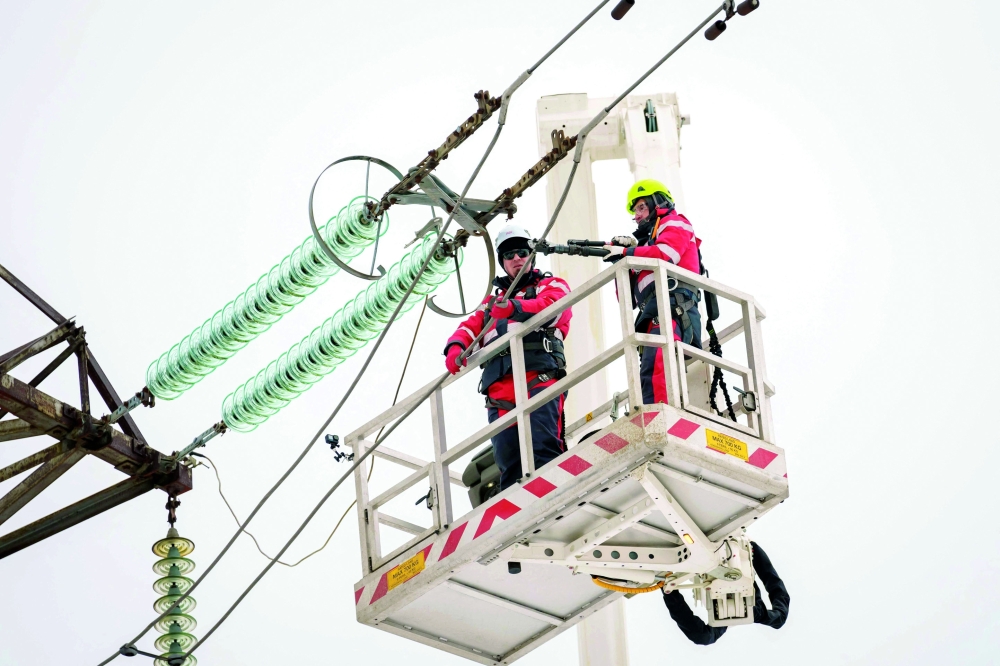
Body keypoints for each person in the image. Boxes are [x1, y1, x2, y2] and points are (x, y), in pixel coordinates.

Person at [443, 224, 573, 490]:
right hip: (500, 391)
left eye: (523, 252)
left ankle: (553, 500)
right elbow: (469, 327)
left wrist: (514, 307)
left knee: (544, 447)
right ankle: (519, 517)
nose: (517, 258)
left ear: (532, 256)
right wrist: (456, 347)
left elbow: (555, 309)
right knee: (509, 461)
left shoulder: (550, 285)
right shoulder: (491, 306)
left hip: (538, 377)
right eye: (510, 254)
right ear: (502, 262)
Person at [602, 179, 703, 406]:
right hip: (653, 314)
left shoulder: (676, 223)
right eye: (634, 211)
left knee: (659, 365)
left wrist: (628, 250)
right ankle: (652, 414)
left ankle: (660, 416)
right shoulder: (646, 245)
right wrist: (621, 260)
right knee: (648, 370)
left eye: (641, 207)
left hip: (673, 309)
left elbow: (666, 254)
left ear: (657, 202)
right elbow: (626, 299)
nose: (637, 215)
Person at [662, 541, 790, 645]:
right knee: (778, 619)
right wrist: (753, 550)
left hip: (724, 604)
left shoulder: (722, 625)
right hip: (742, 586)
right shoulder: (755, 612)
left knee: (704, 637)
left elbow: (702, 637)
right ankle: (668, 589)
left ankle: (667, 586)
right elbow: (774, 585)